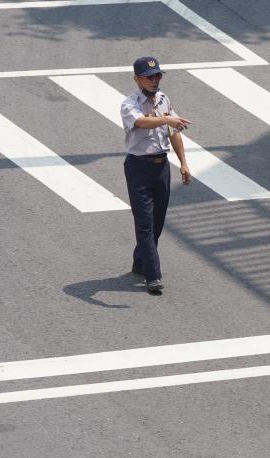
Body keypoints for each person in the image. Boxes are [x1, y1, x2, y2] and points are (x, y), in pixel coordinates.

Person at [120, 56, 193, 294]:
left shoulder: (163, 100)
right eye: (150, 77)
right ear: (137, 79)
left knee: (157, 221)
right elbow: (141, 122)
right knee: (144, 224)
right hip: (138, 167)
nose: (155, 80)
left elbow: (173, 132)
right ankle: (153, 276)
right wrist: (167, 118)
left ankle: (140, 261)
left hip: (161, 167)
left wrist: (183, 163)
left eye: (158, 75)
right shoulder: (129, 104)